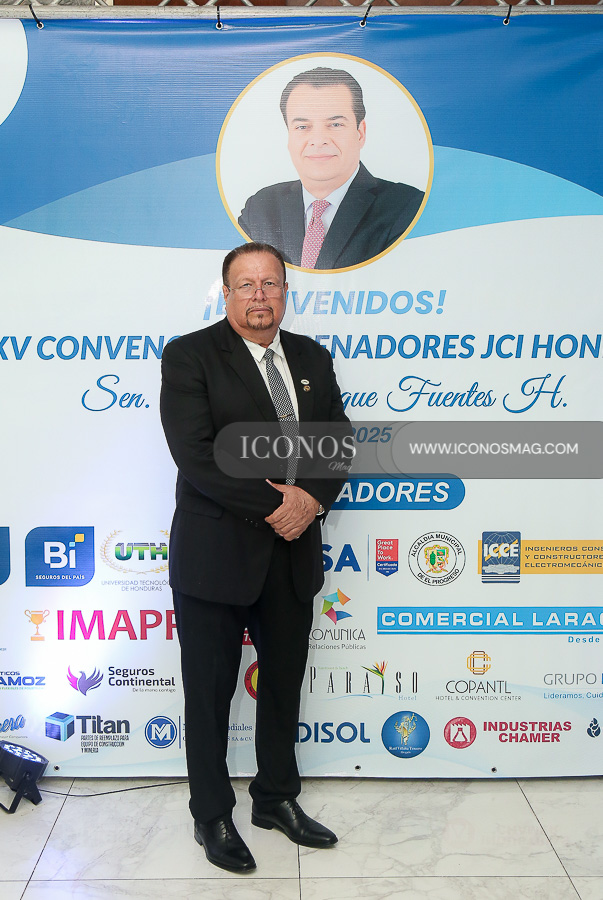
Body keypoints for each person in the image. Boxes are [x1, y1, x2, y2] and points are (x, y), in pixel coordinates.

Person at [160, 241, 350, 873]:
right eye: (246, 285)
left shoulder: (312, 357)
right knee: (209, 693)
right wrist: (278, 506)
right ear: (226, 293)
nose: (259, 295)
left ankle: (275, 799)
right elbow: (197, 454)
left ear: (285, 293)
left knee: (283, 688)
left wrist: (311, 500)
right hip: (216, 556)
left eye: (270, 283)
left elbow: (337, 439)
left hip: (291, 556)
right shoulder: (189, 355)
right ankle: (211, 814)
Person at [238, 67, 425, 270]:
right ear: (289, 136)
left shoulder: (408, 208)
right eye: (302, 127)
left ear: (360, 133)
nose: (318, 140)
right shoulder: (260, 208)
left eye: (335, 124)